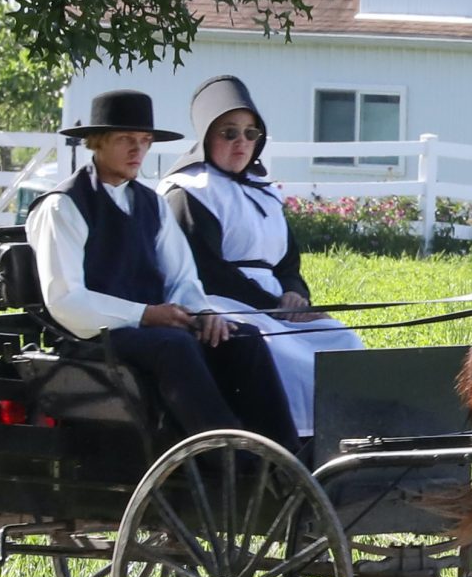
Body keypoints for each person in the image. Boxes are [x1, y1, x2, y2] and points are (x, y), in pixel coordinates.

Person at [22, 89, 301, 458]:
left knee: (242, 338)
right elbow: (67, 301)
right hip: (92, 337)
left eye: (144, 141)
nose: (137, 151)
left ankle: (285, 455)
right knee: (174, 345)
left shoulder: (150, 203)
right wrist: (146, 315)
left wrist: (202, 312)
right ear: (97, 143)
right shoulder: (64, 206)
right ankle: (227, 456)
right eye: (125, 140)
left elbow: (182, 277)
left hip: (150, 329)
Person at [161, 75, 364, 447]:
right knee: (285, 355)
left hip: (274, 307)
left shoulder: (266, 194)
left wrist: (294, 294)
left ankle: (350, 437)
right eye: (230, 133)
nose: (242, 143)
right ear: (207, 136)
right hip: (219, 304)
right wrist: (272, 306)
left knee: (343, 342)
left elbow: (288, 262)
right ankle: (297, 446)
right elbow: (206, 271)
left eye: (251, 134)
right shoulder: (189, 192)